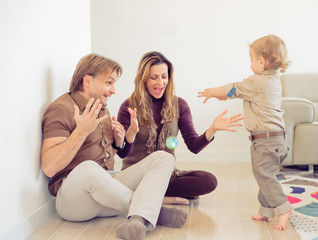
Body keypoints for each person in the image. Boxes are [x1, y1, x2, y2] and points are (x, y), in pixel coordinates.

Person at [41, 53, 188, 240]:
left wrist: (120, 142)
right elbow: (49, 166)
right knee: (88, 168)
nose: (113, 91)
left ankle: (139, 216)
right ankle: (151, 211)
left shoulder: (102, 108)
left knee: (164, 158)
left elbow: (112, 155)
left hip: (107, 190)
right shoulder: (61, 109)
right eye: (109, 83)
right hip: (73, 199)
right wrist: (81, 132)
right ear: (87, 81)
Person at [117, 51, 243, 205]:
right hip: (136, 177)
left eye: (164, 76)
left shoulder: (179, 105)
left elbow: (193, 146)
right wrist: (131, 133)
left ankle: (149, 196)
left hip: (164, 177)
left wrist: (213, 129)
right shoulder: (128, 106)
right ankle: (156, 197)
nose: (160, 83)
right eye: (153, 77)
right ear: (143, 79)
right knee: (133, 183)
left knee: (208, 181)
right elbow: (122, 153)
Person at [198, 35, 292, 230]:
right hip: (275, 140)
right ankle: (266, 210)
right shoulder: (273, 80)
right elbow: (243, 93)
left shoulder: (258, 82)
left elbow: (234, 88)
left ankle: (283, 209)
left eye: (251, 60)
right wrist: (226, 97)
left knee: (265, 176)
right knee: (265, 175)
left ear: (261, 61)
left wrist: (212, 92)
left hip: (266, 141)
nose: (250, 65)